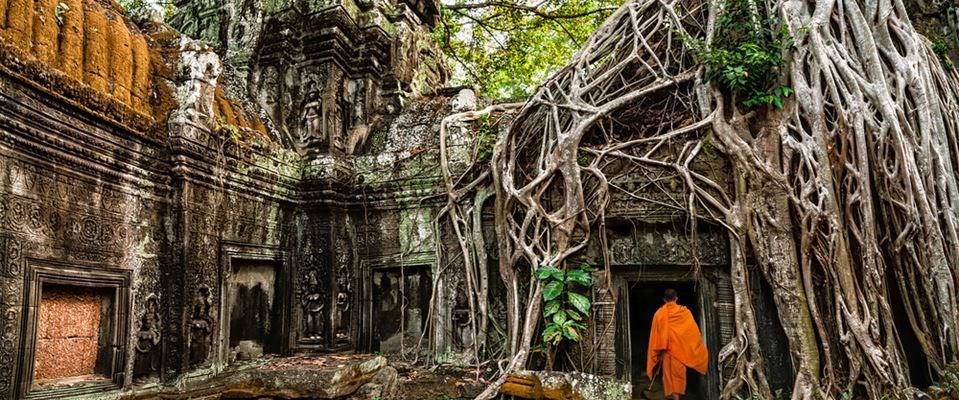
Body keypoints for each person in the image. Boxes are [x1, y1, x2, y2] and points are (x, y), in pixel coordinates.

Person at [647, 288, 709, 400]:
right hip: (680, 353)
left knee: (669, 378)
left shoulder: (659, 314)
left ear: (664, 300)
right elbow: (692, 333)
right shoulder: (685, 313)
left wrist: (658, 351)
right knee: (678, 377)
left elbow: (656, 335)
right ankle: (676, 398)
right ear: (676, 298)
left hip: (666, 352)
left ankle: (675, 398)